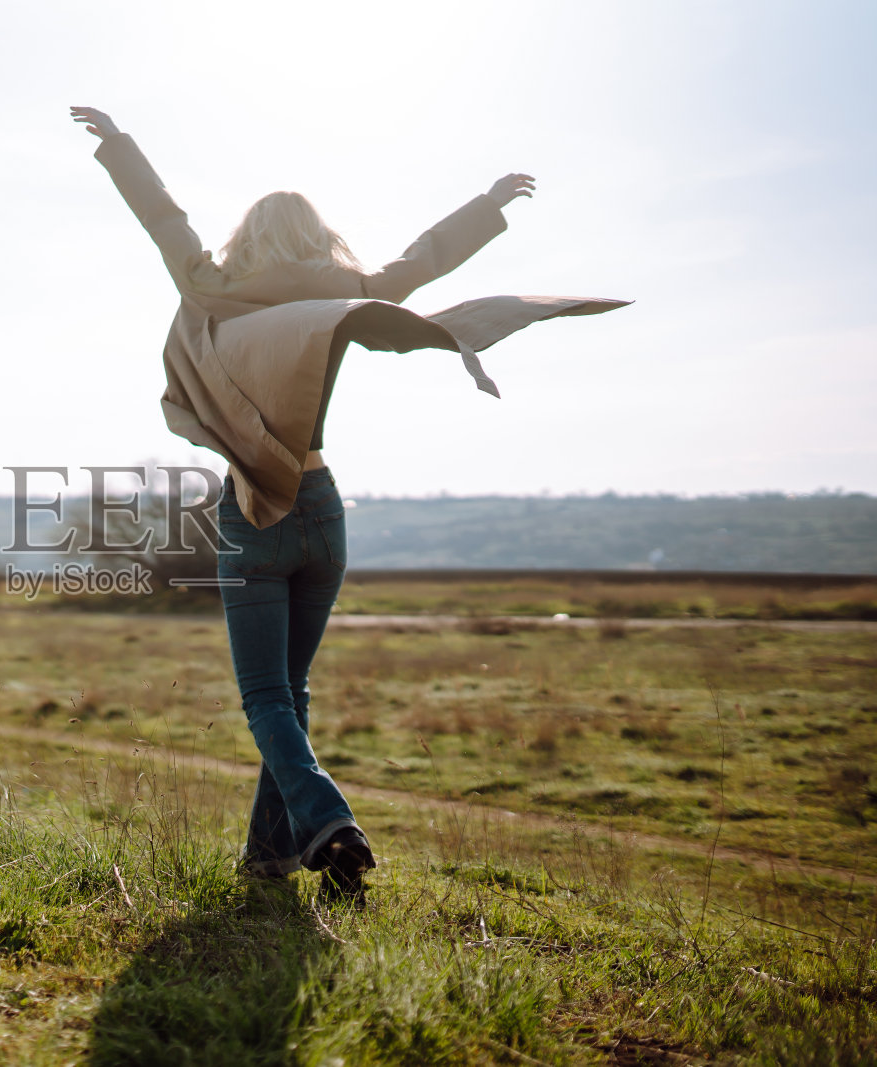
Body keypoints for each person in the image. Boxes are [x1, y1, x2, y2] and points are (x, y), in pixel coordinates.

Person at [72, 105, 626, 906]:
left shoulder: (215, 288)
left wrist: (120, 147)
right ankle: (271, 860)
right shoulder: (352, 288)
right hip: (325, 505)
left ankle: (331, 823)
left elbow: (166, 219)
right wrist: (490, 204)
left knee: (266, 697)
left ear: (249, 237)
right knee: (290, 695)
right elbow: (419, 263)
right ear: (316, 235)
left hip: (255, 509)